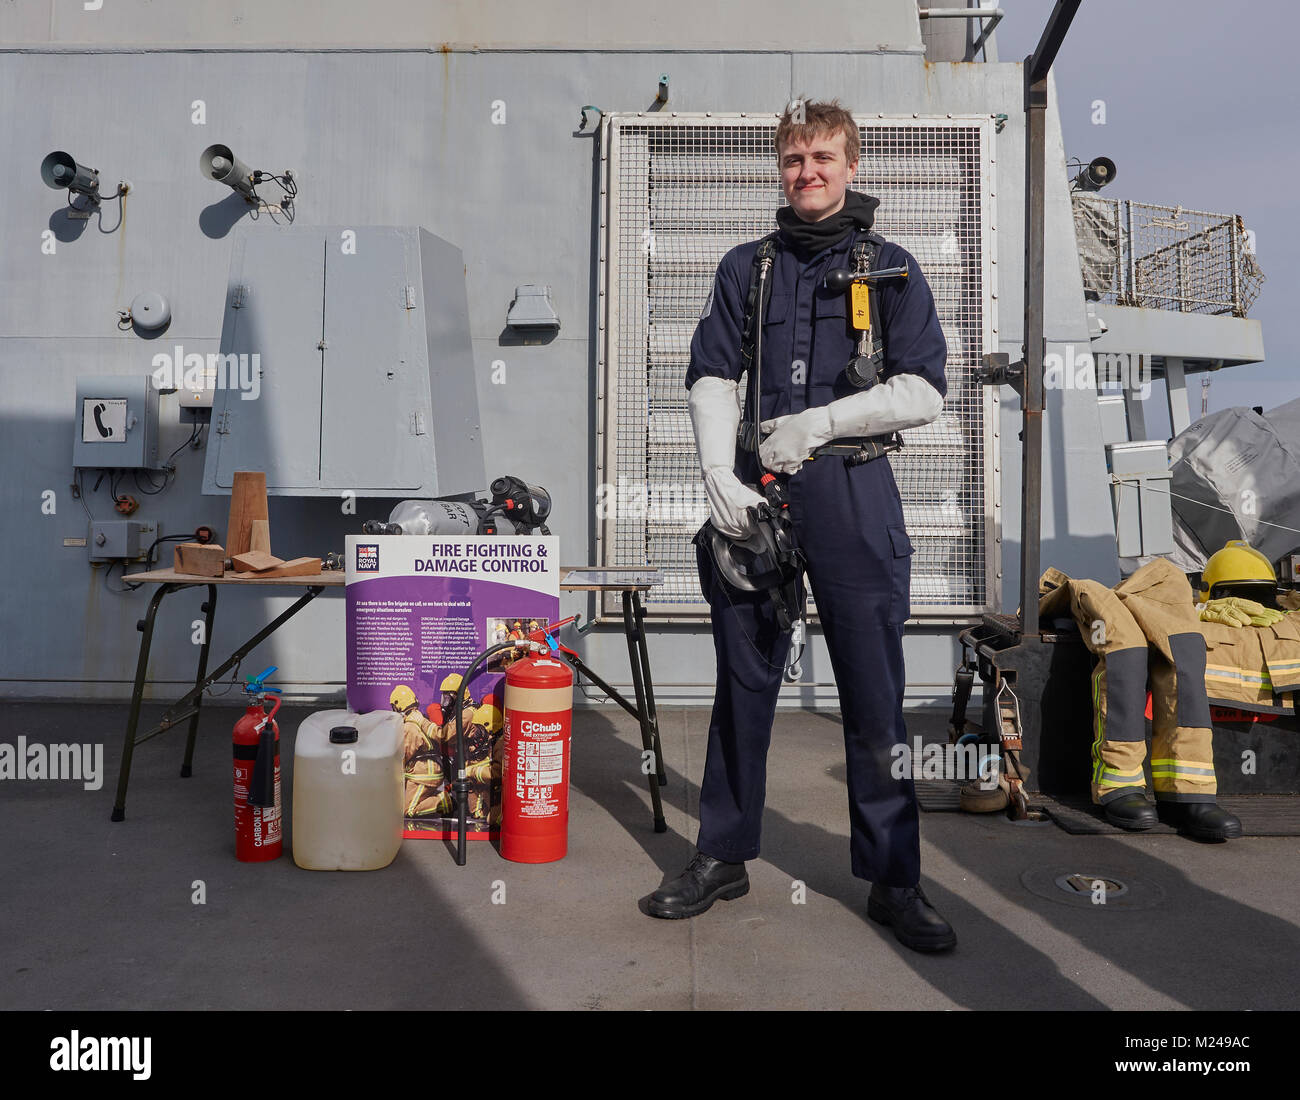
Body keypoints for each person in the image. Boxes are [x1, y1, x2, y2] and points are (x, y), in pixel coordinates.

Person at [647, 98, 955, 952]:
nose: (807, 173)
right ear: (779, 170)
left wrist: (818, 424)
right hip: (756, 497)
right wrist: (717, 472)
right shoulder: (744, 267)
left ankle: (894, 880)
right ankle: (723, 852)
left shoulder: (891, 268)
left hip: (853, 495)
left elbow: (925, 389)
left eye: (822, 158)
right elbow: (711, 374)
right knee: (742, 683)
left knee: (873, 696)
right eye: (793, 160)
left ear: (851, 167)